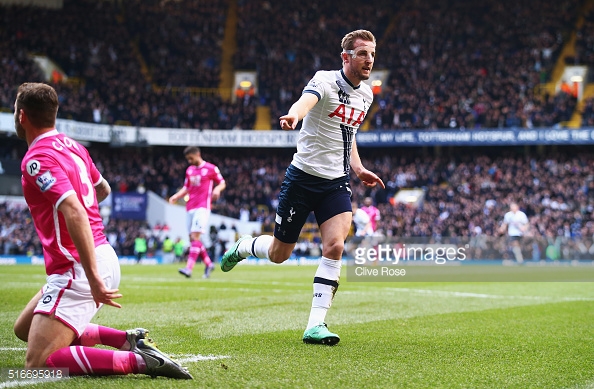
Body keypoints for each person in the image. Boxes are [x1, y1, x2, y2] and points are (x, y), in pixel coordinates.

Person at [12, 83, 192, 379]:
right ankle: (127, 339)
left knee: (38, 365)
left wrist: (93, 276)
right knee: (24, 329)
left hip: (79, 266)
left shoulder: (36, 159)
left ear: (22, 117)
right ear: (54, 115)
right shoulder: (75, 147)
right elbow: (103, 189)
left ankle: (140, 362)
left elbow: (73, 210)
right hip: (100, 253)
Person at [220, 30, 384, 345]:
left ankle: (315, 325)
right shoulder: (324, 81)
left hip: (336, 183)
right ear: (346, 57)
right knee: (280, 253)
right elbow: (305, 101)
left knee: (335, 246)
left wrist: (359, 168)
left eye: (373, 55)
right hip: (302, 179)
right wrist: (295, 115)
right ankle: (244, 246)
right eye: (363, 54)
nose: (369, 61)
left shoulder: (366, 95)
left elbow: (347, 133)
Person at [169, 146, 226, 279]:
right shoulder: (189, 170)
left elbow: (222, 182)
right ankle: (208, 263)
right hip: (190, 207)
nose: (189, 161)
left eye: (191, 158)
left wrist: (217, 190)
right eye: (188, 159)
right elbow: (186, 188)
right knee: (193, 239)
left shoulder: (211, 168)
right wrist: (176, 196)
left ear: (197, 154)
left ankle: (189, 268)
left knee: (195, 236)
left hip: (203, 207)